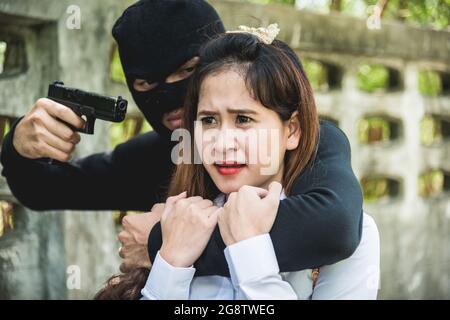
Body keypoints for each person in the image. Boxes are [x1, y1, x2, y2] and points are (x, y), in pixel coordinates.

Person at [1, 0, 363, 278]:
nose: (169, 98)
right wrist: (18, 145)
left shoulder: (299, 140)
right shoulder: (162, 154)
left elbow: (334, 228)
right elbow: (44, 189)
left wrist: (162, 242)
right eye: (145, 84)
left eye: (187, 71)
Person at [95, 29, 380, 300]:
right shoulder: (181, 223)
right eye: (208, 120)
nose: (222, 143)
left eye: (243, 119)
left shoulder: (357, 236)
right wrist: (171, 263)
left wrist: (250, 252)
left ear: (291, 130)